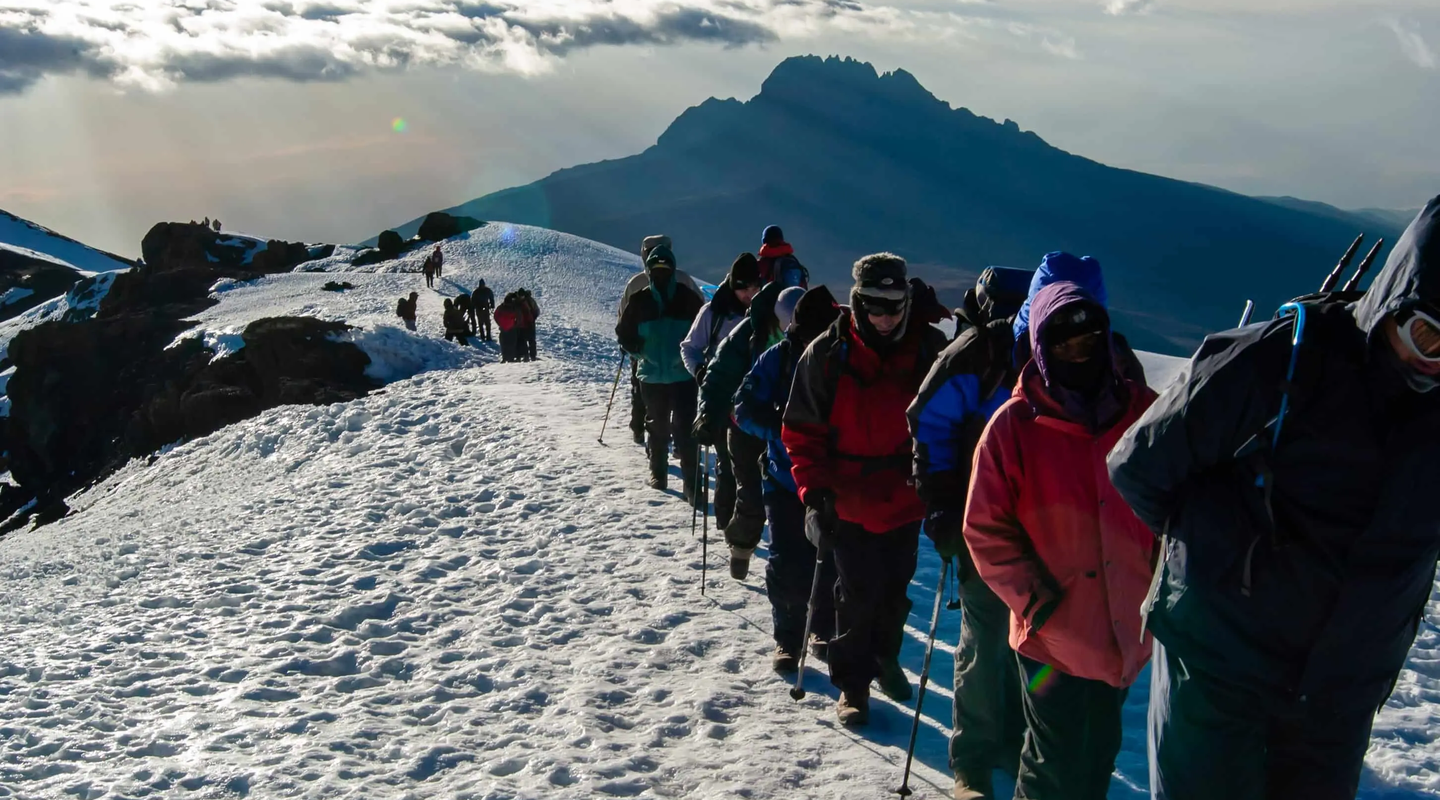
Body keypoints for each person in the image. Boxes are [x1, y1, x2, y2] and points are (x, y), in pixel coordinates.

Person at [1107, 196, 1440, 800]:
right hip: (1222, 671)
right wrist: (1219, 567)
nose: (1435, 364)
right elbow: (1140, 466)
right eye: (1428, 334)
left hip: (1339, 696)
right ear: (1396, 300)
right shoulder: (1282, 360)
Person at [962, 281, 1157, 800]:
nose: (1079, 353)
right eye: (1063, 344)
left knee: (1098, 754)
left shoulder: (1142, 412)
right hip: (1054, 636)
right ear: (1041, 348)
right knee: (1054, 763)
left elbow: (1179, 503)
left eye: (1090, 341)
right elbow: (984, 529)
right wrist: (1036, 602)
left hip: (1127, 629)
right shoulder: (1014, 426)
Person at [782, 253, 949, 726]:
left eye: (894, 307)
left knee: (895, 593)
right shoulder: (827, 354)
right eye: (874, 306)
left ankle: (884, 658)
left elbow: (947, 424)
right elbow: (801, 431)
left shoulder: (929, 350)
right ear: (857, 302)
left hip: (905, 496)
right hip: (847, 498)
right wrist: (813, 495)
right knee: (856, 594)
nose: (884, 317)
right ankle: (853, 686)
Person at [907, 266, 1033, 799]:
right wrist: (939, 505)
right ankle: (975, 758)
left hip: (1044, 529)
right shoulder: (975, 357)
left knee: (1026, 644)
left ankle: (1008, 743)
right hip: (985, 526)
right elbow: (930, 427)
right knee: (987, 641)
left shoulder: (1054, 358)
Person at [735, 285, 838, 671]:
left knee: (829, 561)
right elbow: (743, 409)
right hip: (784, 479)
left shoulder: (844, 358)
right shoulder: (776, 360)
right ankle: (788, 639)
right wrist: (780, 431)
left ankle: (822, 630)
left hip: (830, 481)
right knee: (787, 562)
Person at [694, 263, 780, 579]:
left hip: (788, 429)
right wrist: (707, 415)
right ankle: (741, 550)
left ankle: (787, 565)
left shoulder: (809, 335)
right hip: (744, 423)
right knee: (750, 491)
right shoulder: (745, 333)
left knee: (780, 499)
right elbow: (717, 377)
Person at [617, 245, 705, 494]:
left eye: (665, 268)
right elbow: (624, 335)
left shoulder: (683, 299)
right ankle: (665, 476)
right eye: (656, 269)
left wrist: (641, 354)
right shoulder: (644, 300)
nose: (661, 273)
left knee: (677, 427)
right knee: (661, 427)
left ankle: (686, 481)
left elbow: (703, 332)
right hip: (663, 376)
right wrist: (640, 352)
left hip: (673, 375)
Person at [684, 253, 763, 520]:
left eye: (754, 287)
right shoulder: (713, 312)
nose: (749, 294)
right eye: (743, 288)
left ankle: (742, 523)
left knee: (749, 467)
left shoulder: (765, 315)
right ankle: (727, 522)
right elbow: (690, 347)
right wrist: (699, 372)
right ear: (732, 285)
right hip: (720, 399)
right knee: (728, 465)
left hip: (754, 400)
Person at [495, 293, 521, 362]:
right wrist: (516, 324)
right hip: (512, 327)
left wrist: (500, 324)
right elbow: (519, 317)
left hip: (503, 328)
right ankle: (511, 358)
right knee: (512, 343)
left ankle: (504, 357)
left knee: (504, 343)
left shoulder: (500, 307)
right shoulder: (514, 307)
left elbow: (496, 316)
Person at [518, 288, 540, 361]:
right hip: (525, 324)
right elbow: (537, 310)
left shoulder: (529, 301)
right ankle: (528, 356)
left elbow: (536, 310)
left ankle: (530, 356)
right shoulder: (529, 301)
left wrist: (533, 318)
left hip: (527, 323)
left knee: (529, 340)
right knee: (525, 340)